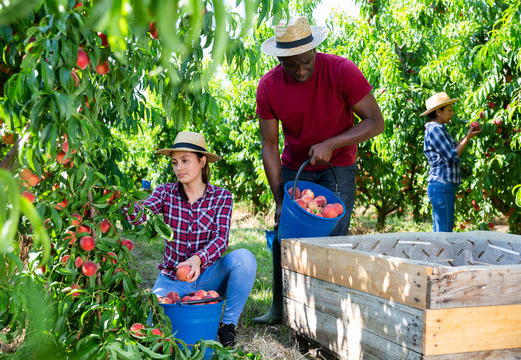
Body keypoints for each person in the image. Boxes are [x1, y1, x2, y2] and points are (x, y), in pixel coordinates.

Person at [253, 16, 384, 324]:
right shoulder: (269, 87)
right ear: (280, 58)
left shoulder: (341, 71)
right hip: (296, 166)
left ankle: (331, 314)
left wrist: (332, 143)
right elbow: (270, 146)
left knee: (334, 237)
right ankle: (280, 306)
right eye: (291, 64)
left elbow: (375, 122)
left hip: (338, 166)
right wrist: (279, 198)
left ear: (315, 50)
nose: (300, 70)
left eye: (306, 62)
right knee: (286, 235)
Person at [123, 131, 257, 347]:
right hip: (172, 277)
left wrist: (198, 259)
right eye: (175, 162)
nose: (179, 168)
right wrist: (119, 199)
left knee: (245, 258)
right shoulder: (166, 192)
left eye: (185, 161)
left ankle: (228, 325)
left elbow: (221, 239)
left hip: (206, 275)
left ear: (202, 162)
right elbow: (139, 216)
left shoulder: (221, 197)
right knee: (153, 331)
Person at [421, 92, 480, 232]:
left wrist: (467, 136)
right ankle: (442, 254)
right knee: (444, 232)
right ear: (438, 112)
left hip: (443, 185)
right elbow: (452, 155)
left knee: (441, 230)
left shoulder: (440, 129)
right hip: (442, 184)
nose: (452, 113)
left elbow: (453, 148)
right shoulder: (435, 129)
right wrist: (467, 139)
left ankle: (439, 254)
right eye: (449, 110)